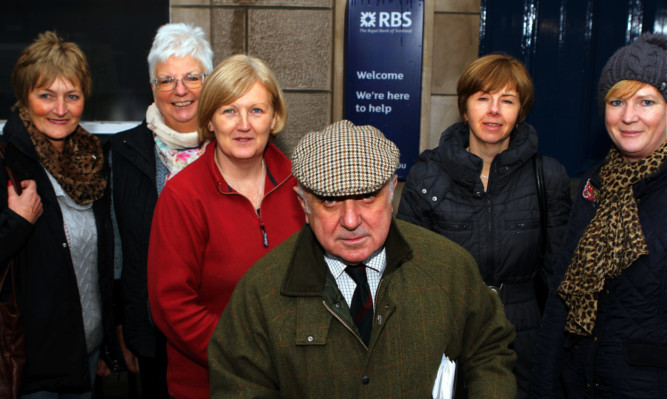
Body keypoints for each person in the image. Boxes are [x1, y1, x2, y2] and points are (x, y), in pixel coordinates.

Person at [209, 120, 518, 398]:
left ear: (392, 190)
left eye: (367, 197)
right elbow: (238, 386)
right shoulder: (262, 291)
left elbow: (489, 350)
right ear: (303, 203)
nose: (351, 220)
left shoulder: (447, 266)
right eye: (330, 201)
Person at [396, 54, 571, 397]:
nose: (494, 110)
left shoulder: (548, 177)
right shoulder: (428, 175)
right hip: (449, 333)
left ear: (520, 112)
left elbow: (557, 275)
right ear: (465, 108)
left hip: (524, 335)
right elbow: (406, 271)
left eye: (507, 100)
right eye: (483, 98)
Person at [146, 54, 305, 399]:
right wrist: (249, 354)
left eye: (256, 110)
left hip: (294, 380)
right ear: (210, 121)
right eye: (229, 111)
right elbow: (172, 306)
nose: (243, 124)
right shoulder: (183, 196)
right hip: (210, 385)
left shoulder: (301, 186)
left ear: (274, 117)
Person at [531, 32, 667, 398]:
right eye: (617, 100)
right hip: (579, 384)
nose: (628, 117)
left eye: (646, 102)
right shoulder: (596, 184)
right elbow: (562, 298)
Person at [0, 31, 114, 397]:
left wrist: (106, 344)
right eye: (46, 95)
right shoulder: (8, 165)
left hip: (87, 356)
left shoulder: (94, 163)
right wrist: (16, 223)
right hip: (33, 368)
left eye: (72, 96)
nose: (60, 109)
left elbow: (98, 262)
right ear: (25, 96)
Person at [111, 22, 213, 397]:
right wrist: (123, 325)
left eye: (192, 77)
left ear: (211, 81)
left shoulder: (234, 146)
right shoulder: (124, 152)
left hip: (221, 329)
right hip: (152, 333)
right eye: (166, 80)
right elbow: (120, 247)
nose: (180, 90)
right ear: (152, 88)